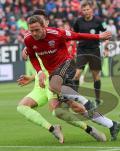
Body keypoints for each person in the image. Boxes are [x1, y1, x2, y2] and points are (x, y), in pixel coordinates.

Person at [17, 9, 106, 143]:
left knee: (71, 108)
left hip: (56, 80)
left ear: (45, 23)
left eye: (37, 28)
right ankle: (53, 129)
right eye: (32, 30)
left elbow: (76, 36)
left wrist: (99, 37)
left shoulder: (56, 34)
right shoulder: (30, 40)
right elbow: (35, 60)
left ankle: (103, 123)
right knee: (22, 107)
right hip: (41, 84)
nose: (34, 33)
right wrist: (35, 76)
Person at [73, 1, 108, 105]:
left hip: (94, 50)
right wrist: (73, 47)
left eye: (88, 9)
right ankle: (76, 97)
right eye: (84, 10)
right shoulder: (78, 21)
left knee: (95, 76)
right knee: (77, 75)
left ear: (91, 9)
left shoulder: (98, 21)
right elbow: (74, 35)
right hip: (82, 50)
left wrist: (106, 48)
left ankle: (97, 99)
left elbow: (106, 35)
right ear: (81, 11)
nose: (86, 11)